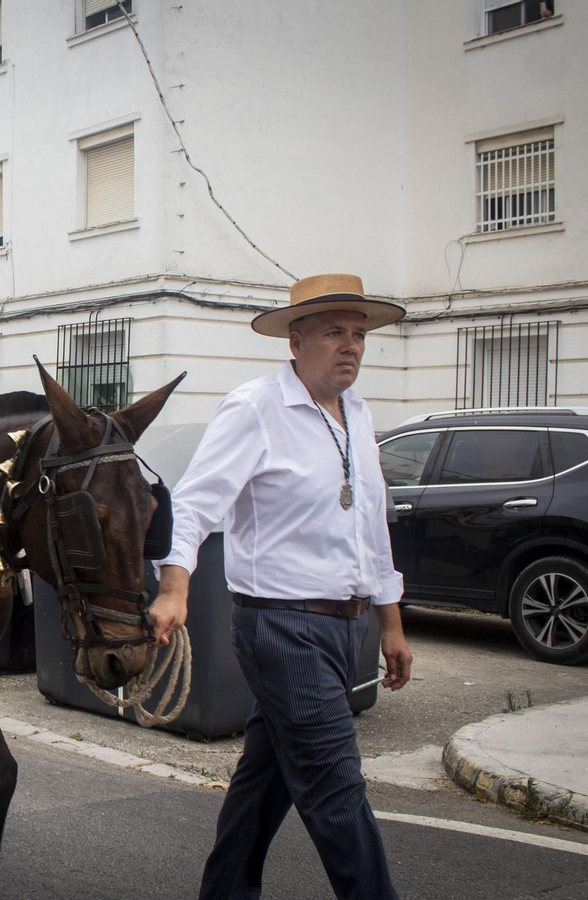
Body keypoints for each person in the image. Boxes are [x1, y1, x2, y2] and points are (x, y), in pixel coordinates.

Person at [150, 274, 415, 900]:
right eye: (333, 333)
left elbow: (370, 524)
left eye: (358, 334)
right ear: (296, 342)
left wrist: (391, 624)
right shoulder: (255, 406)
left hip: (341, 625)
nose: (351, 346)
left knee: (264, 784)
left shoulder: (357, 413)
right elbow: (193, 506)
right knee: (336, 789)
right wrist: (174, 588)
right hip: (281, 626)